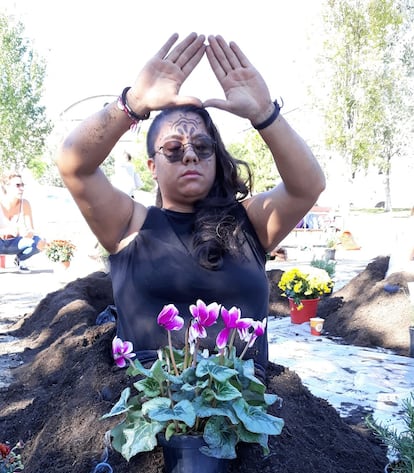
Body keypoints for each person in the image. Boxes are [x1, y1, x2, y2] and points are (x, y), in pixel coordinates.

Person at [56, 33, 325, 379]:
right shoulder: (129, 226)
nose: (189, 154)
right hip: (150, 418)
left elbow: (308, 186)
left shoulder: (249, 224)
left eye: (202, 145)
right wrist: (133, 103)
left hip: (238, 420)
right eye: (172, 148)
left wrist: (264, 114)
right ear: (152, 166)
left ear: (215, 157)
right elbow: (73, 162)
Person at [0, 172, 46, 271]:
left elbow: (31, 230)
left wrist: (28, 233)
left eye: (22, 185)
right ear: (6, 187)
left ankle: (20, 259)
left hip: (14, 243)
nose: (22, 188)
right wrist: (6, 231)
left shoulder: (25, 203)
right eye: (17, 185)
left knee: (39, 242)